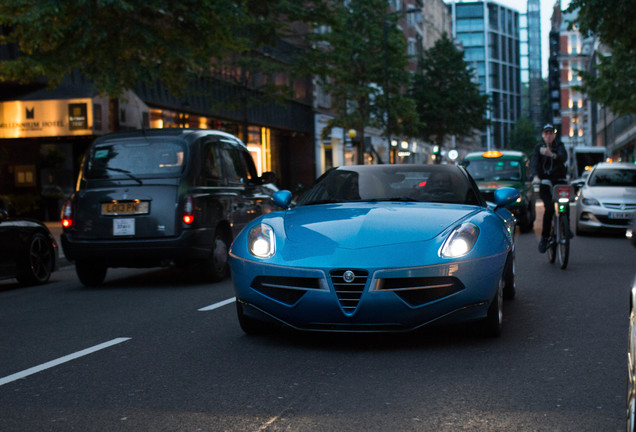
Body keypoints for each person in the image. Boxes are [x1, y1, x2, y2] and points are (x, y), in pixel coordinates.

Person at [530, 123, 570, 253]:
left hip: (559, 180)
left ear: (554, 134)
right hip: (545, 182)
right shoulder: (538, 148)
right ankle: (545, 237)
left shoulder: (559, 145)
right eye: (546, 133)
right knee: (549, 209)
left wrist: (552, 154)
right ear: (543, 135)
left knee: (565, 203)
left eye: (550, 133)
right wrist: (536, 176)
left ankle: (566, 228)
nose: (548, 135)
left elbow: (564, 157)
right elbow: (534, 162)